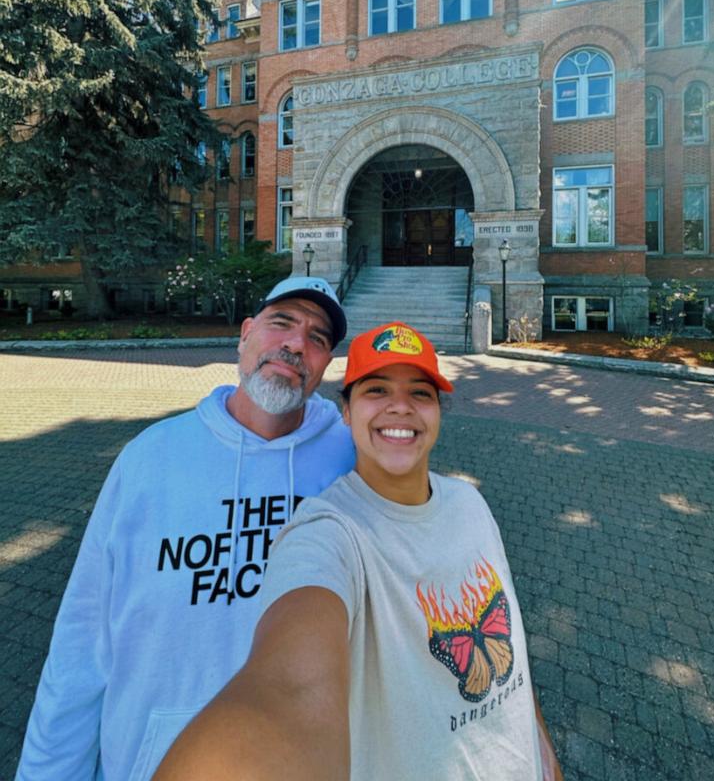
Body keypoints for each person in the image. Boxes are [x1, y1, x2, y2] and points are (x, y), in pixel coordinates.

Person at [155, 321, 563, 781]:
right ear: (344, 412)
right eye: (376, 390)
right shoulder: (328, 534)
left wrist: (542, 749)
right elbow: (290, 685)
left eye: (421, 393)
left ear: (439, 413)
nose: (401, 407)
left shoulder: (470, 503)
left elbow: (512, 655)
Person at [16, 277, 356, 781]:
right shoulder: (149, 458)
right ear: (244, 335)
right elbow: (83, 640)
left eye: (318, 337)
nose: (295, 344)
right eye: (281, 323)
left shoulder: (351, 461)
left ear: (326, 365)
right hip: (152, 760)